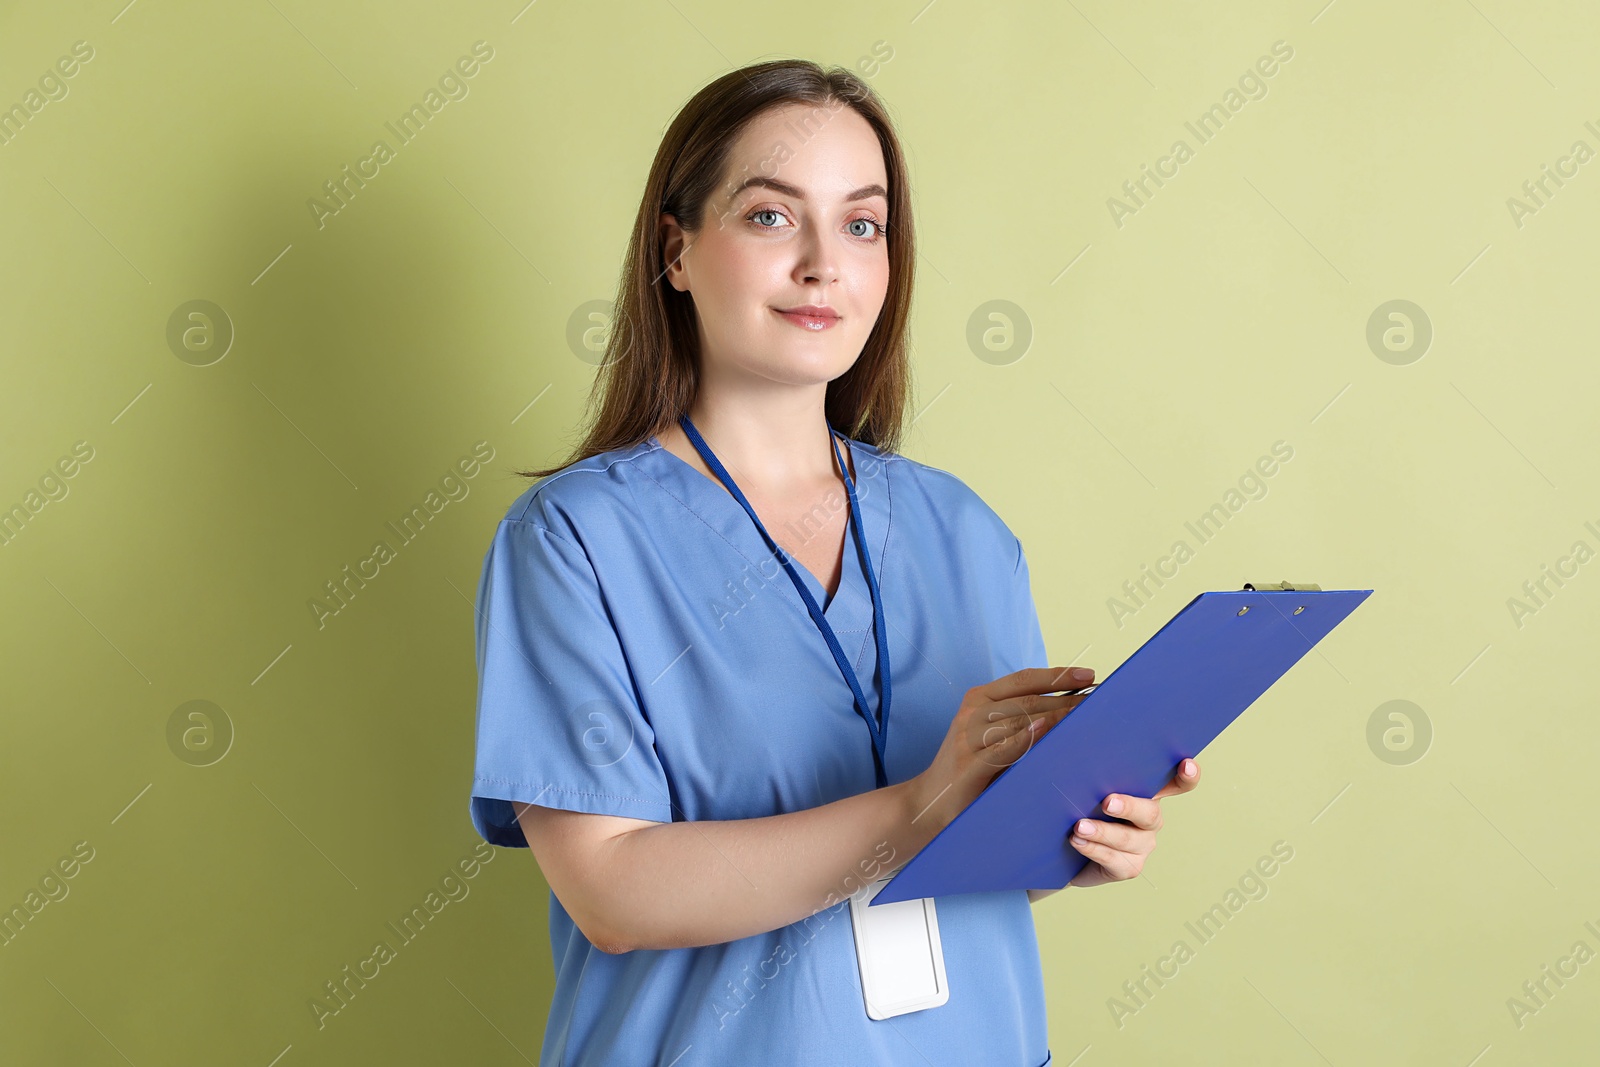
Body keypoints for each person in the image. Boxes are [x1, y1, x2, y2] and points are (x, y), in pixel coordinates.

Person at [468, 58, 1202, 1067]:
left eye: (862, 224)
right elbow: (613, 891)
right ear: (674, 252)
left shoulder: (962, 529)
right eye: (771, 217)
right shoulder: (575, 540)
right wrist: (917, 804)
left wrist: (1074, 828)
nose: (825, 264)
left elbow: (988, 854)